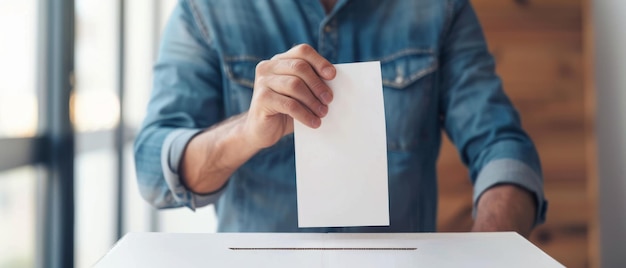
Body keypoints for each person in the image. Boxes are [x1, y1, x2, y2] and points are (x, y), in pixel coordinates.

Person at [134, 0, 547, 236]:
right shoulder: (208, 9)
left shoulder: (438, 7)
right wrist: (247, 131)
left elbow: (502, 145)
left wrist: (490, 248)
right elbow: (153, 171)